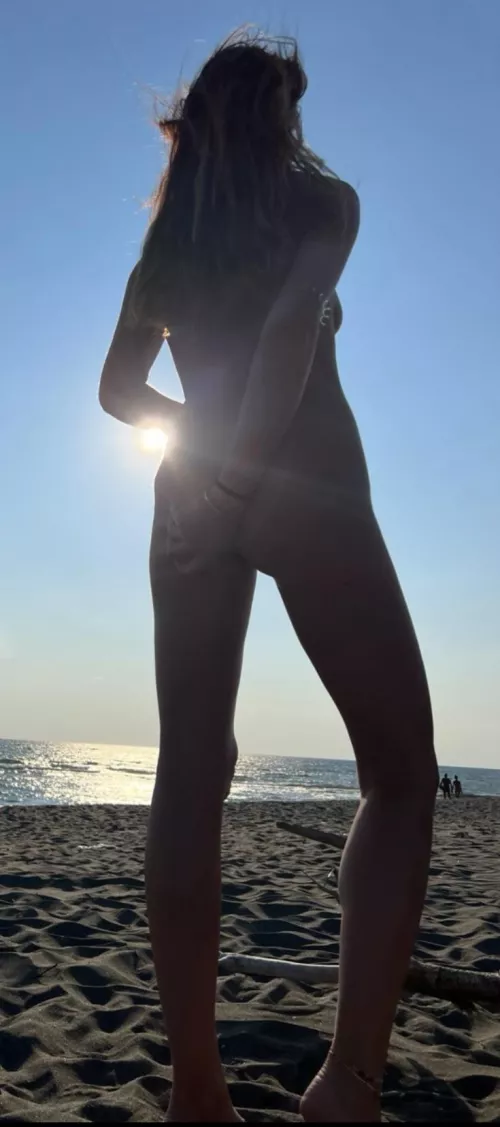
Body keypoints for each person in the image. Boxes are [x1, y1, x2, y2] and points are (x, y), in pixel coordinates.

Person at [99, 31, 438, 1123]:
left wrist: (202, 448)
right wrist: (245, 471)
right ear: (277, 117)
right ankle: (347, 1081)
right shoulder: (320, 203)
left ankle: (196, 1090)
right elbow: (290, 332)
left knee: (190, 768)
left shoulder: (167, 246)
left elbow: (117, 391)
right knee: (400, 772)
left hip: (187, 495)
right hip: (301, 480)